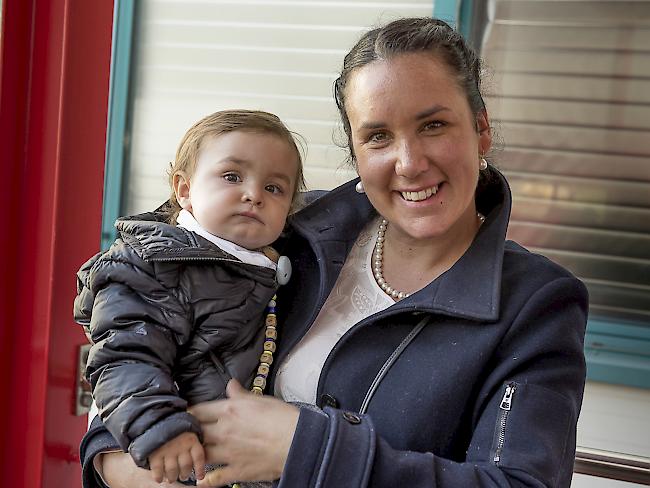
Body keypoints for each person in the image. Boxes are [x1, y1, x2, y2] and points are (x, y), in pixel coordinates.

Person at [79, 17, 588, 488]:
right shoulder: (286, 232)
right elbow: (137, 343)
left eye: (433, 125)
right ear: (355, 150)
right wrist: (122, 458)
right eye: (378, 136)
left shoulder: (535, 304)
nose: (409, 163)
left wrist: (308, 450)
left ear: (480, 129)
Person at [74, 109, 305, 485]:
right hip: (177, 454)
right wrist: (160, 428)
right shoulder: (156, 265)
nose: (254, 195)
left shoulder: (267, 267)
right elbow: (126, 354)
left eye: (274, 188)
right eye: (232, 176)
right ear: (184, 189)